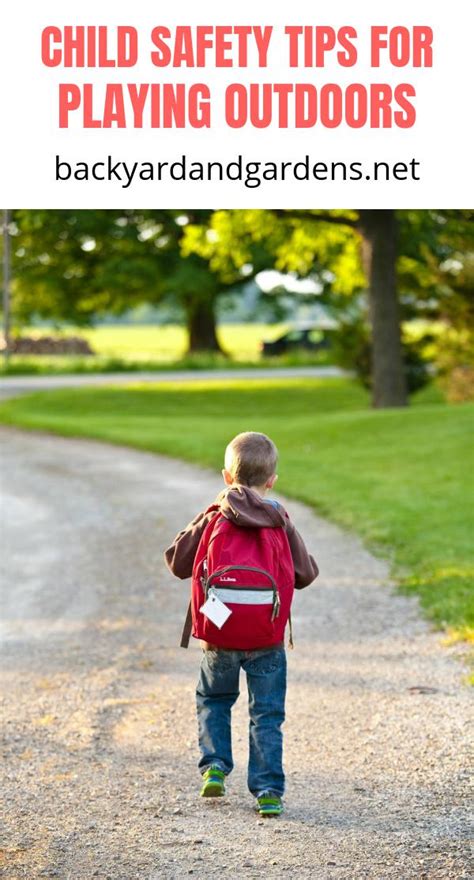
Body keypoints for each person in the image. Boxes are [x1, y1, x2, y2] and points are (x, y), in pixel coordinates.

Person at [164, 431, 318, 816]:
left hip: (220, 636)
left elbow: (177, 562)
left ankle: (215, 766)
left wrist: (207, 513)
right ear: (272, 481)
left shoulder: (216, 515)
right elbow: (306, 574)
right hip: (267, 637)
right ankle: (268, 791)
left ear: (226, 477)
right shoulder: (279, 517)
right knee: (266, 713)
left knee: (214, 699)